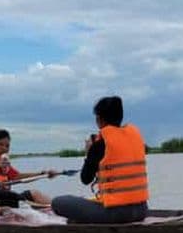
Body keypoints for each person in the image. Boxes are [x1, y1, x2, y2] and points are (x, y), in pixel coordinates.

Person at [52, 96, 148, 224]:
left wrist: (88, 153)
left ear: (99, 119)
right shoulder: (136, 139)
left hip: (116, 213)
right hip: (142, 209)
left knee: (58, 202)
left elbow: (85, 179)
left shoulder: (100, 145)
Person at [0, 129, 58, 205]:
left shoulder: (3, 163)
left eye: (7, 146)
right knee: (23, 201)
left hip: (5, 198)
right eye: (0, 144)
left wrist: (42, 174)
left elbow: (16, 177)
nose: (4, 148)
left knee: (34, 194)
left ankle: (59, 211)